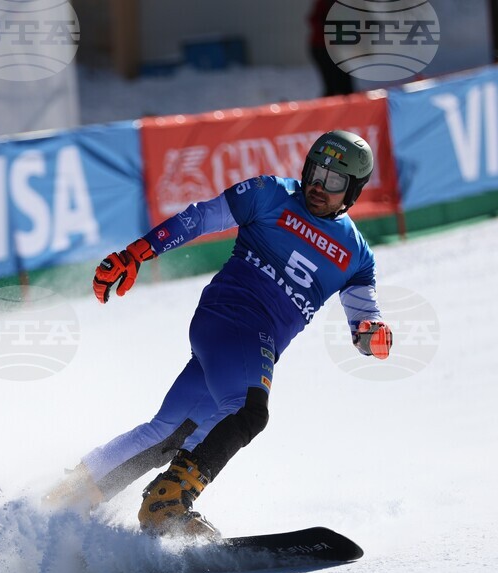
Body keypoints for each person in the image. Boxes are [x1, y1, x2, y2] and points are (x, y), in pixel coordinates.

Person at [46, 130, 393, 538]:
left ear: (353, 190)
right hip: (232, 321)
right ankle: (167, 506)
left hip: (238, 344)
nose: (319, 185)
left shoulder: (356, 254)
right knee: (248, 411)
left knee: (168, 431)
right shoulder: (269, 193)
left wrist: (373, 335)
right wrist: (138, 253)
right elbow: (201, 217)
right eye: (315, 172)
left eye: (334, 181)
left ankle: (64, 501)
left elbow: (365, 317)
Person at [309, 0, 354, 96]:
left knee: (345, 86)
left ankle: (349, 107)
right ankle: (327, 108)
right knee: (333, 86)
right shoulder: (325, 3)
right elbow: (313, 20)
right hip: (322, 49)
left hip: (338, 50)